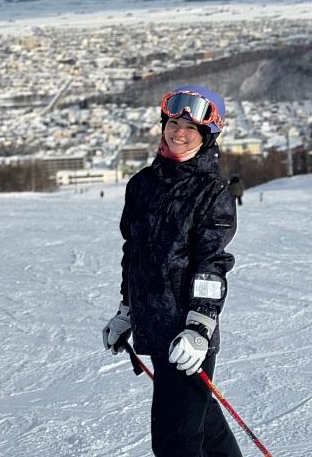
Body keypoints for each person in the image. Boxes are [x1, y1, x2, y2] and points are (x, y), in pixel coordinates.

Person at [103, 85, 243, 457]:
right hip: (154, 325)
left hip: (187, 332)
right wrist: (127, 310)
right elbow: (133, 254)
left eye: (191, 128)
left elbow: (211, 264)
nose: (179, 132)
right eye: (174, 122)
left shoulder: (211, 191)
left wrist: (199, 326)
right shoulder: (142, 185)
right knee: (201, 420)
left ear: (206, 136)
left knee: (175, 442)